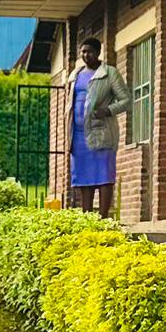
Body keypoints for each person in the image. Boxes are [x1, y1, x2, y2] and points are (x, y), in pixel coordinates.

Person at [67, 35, 124, 216]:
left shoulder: (109, 73)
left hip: (101, 132)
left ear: (98, 53)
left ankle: (104, 216)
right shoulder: (75, 75)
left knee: (104, 175)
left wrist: (106, 111)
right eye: (83, 52)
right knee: (84, 176)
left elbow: (125, 100)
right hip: (78, 134)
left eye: (89, 52)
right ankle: (87, 216)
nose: (85, 55)